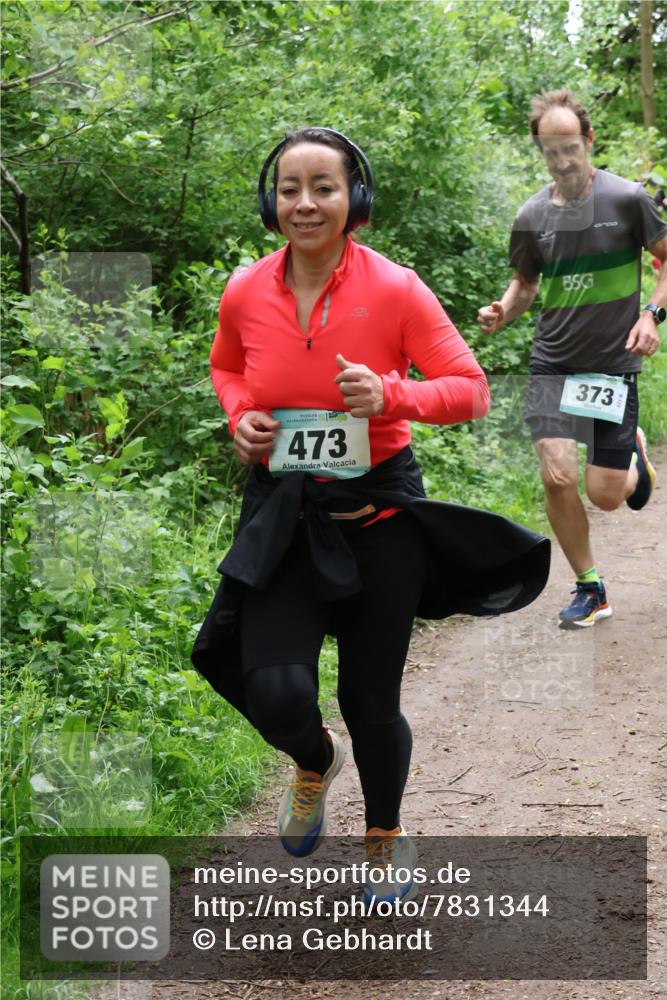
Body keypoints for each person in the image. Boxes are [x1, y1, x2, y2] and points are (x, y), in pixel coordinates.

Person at [192, 127, 550, 903]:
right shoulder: (245, 288)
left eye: (323, 187)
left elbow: (469, 387)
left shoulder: (395, 288)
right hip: (284, 511)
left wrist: (395, 395)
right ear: (270, 199)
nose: (305, 203)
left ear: (354, 197)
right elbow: (226, 366)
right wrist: (239, 415)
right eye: (289, 188)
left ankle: (384, 834)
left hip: (378, 515)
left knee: (369, 700)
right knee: (271, 687)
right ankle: (315, 761)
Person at [478, 89, 667, 629]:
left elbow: (665, 261)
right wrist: (502, 311)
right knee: (557, 476)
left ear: (588, 140)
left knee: (606, 496)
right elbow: (524, 285)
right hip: (552, 362)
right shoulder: (530, 216)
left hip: (612, 363)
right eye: (550, 152)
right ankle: (591, 587)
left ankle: (632, 460)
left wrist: (651, 314)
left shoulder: (628, 199)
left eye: (570, 148)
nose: (562, 162)